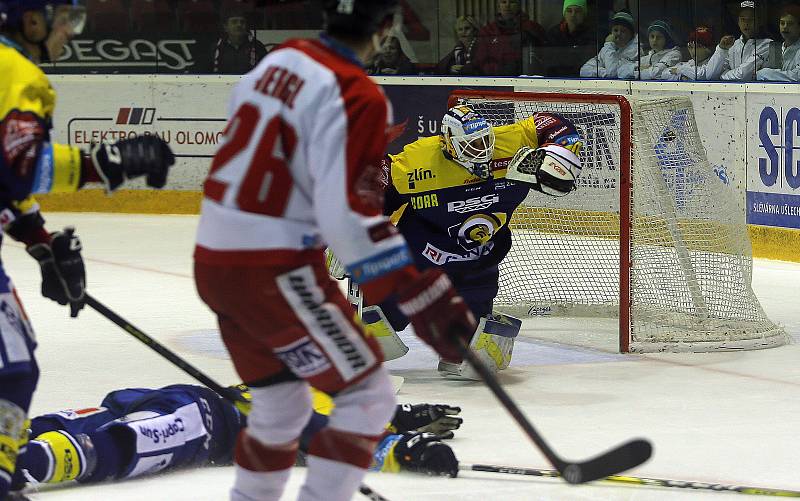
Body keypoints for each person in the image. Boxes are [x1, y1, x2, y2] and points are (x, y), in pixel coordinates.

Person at [193, 1, 478, 500]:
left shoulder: (276, 61)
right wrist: (424, 295)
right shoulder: (358, 94)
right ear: (386, 28)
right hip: (274, 266)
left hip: (214, 258)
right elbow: (347, 218)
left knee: (281, 404)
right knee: (367, 396)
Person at [0, 2, 175, 499]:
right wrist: (109, 163)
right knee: (13, 369)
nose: (68, 35)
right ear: (31, 22)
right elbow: (16, 168)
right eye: (64, 23)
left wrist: (40, 242)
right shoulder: (16, 72)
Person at [352, 105, 583, 380]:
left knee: (478, 359)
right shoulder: (419, 161)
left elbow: (556, 123)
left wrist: (561, 150)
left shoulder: (511, 142)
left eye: (485, 142)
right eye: (471, 146)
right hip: (419, 258)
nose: (481, 152)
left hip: (478, 262)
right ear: (448, 143)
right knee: (372, 334)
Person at [9, 384, 461, 495]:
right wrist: (402, 451)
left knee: (64, 424)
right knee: (117, 450)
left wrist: (404, 422)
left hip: (171, 397)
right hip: (205, 421)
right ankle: (20, 466)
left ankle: (18, 449)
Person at [474, 0, 547, 76]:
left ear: (519, 5)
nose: (507, 5)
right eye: (504, 2)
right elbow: (481, 60)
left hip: (525, 79)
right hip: (494, 79)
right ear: (499, 6)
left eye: (512, 2)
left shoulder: (532, 28)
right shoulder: (487, 31)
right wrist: (497, 70)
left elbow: (542, 57)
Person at [718, 0, 771, 81]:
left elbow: (743, 75)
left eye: (751, 19)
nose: (746, 23)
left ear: (759, 21)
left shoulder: (767, 44)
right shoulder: (732, 45)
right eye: (743, 19)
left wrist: (722, 76)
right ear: (738, 22)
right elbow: (716, 71)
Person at [580, 10, 639, 78]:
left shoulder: (635, 52)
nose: (618, 34)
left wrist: (609, 44)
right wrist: (604, 72)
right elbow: (584, 70)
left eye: (623, 31)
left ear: (631, 35)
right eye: (615, 30)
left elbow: (612, 73)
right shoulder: (608, 48)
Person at [544, 0, 597, 77]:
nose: (573, 15)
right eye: (569, 11)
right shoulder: (553, 33)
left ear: (583, 14)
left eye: (577, 11)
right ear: (564, 14)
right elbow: (549, 62)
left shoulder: (592, 35)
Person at [757, 4, 800, 81]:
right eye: (782, 23)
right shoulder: (775, 49)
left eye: (790, 24)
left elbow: (797, 76)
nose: (785, 27)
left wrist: (765, 73)